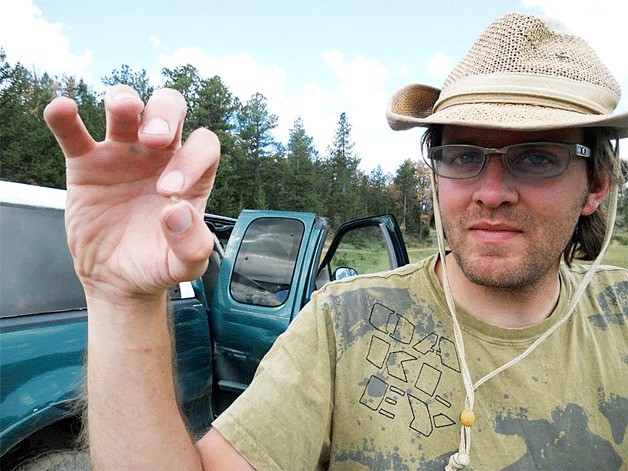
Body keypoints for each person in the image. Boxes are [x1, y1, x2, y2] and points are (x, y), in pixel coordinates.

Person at [44, 12, 627, 470]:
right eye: (464, 155)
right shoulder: (344, 323)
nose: (492, 191)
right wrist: (121, 298)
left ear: (596, 184)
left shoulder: (620, 316)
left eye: (536, 158)